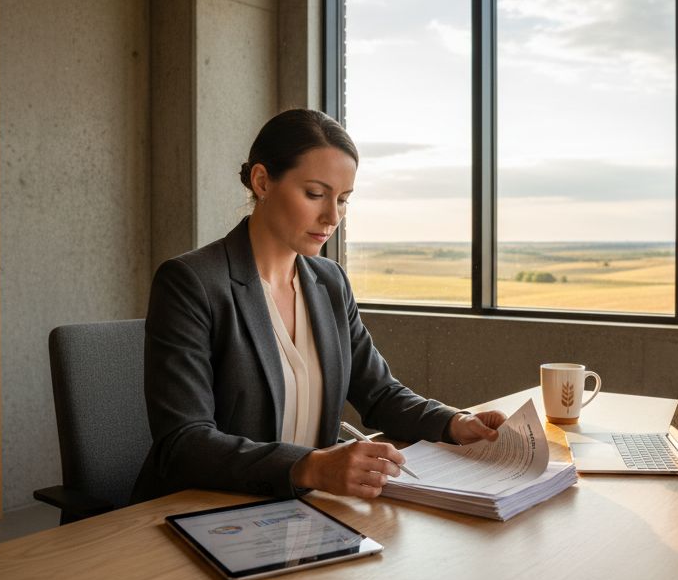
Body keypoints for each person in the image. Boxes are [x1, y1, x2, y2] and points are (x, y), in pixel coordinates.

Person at [131, 109, 506, 504]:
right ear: (262, 181)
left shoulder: (330, 282)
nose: (332, 217)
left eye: (343, 200)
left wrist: (455, 422)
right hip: (204, 509)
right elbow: (183, 443)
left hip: (302, 510)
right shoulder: (192, 283)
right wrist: (311, 466)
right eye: (315, 194)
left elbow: (379, 394)